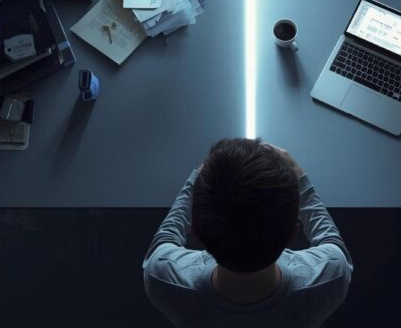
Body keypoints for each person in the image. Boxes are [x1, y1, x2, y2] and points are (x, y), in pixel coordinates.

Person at [143, 138, 353, 327]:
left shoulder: (163, 278)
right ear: (292, 235)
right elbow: (332, 243)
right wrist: (300, 178)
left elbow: (165, 238)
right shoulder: (329, 278)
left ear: (196, 233)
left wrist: (198, 179)